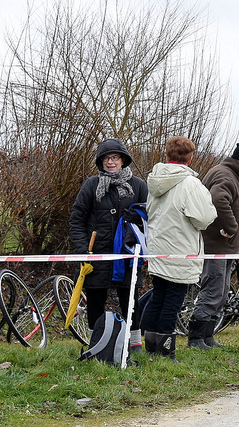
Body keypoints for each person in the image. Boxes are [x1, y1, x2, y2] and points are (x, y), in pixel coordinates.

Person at [69, 138, 148, 351]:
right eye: (105, 158)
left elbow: (149, 220)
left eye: (114, 157)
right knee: (95, 299)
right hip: (97, 254)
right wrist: (83, 249)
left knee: (130, 299)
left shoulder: (138, 186)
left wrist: (142, 246)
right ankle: (96, 344)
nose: (110, 162)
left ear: (123, 160)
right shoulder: (91, 185)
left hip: (128, 253)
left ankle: (135, 343)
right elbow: (77, 219)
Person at [143, 136, 217, 362]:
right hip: (181, 250)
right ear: (191, 157)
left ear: (167, 155)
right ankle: (167, 351)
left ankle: (151, 348)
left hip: (158, 248)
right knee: (172, 302)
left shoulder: (154, 181)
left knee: (158, 297)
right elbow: (204, 218)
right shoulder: (191, 184)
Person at [188, 138, 239, 350]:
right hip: (216, 246)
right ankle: (195, 338)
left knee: (220, 291)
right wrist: (231, 227)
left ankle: (207, 336)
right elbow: (218, 199)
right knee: (213, 291)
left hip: (225, 248)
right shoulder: (225, 175)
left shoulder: (230, 174)